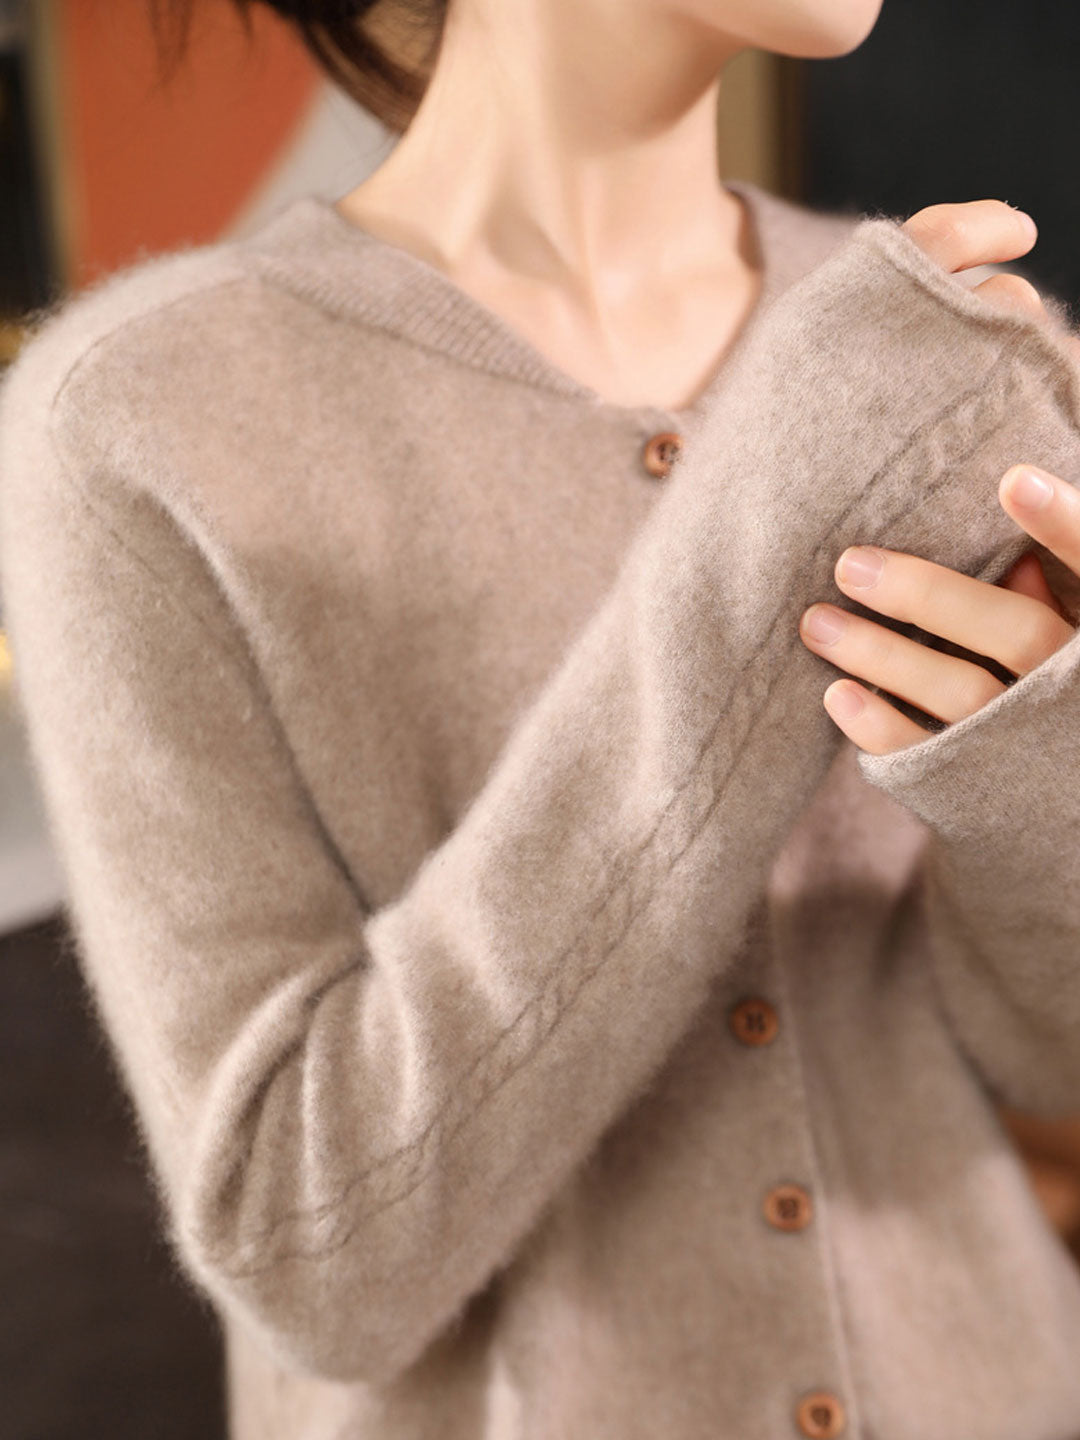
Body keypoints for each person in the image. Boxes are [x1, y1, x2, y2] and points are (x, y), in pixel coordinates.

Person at [4, 2, 1080, 1437]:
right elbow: (310, 1264)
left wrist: (1047, 775)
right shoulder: (136, 417)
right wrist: (755, 553)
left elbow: (1045, 1065)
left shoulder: (944, 336)